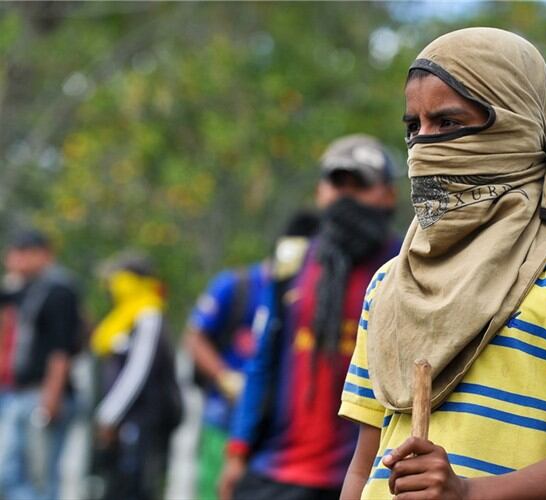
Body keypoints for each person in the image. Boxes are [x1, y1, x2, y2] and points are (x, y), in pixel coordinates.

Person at [339, 28, 546, 500]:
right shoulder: (391, 281)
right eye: (413, 127)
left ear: (514, 125)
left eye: (447, 122)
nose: (424, 145)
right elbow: (363, 468)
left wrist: (467, 493)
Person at [219, 135, 401, 500]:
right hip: (277, 470)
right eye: (337, 183)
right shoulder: (293, 263)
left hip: (363, 475)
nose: (345, 196)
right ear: (321, 192)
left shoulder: (404, 264)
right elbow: (263, 361)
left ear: (387, 195)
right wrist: (238, 451)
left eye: (359, 185)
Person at [185, 212, 319, 500]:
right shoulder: (236, 286)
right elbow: (194, 337)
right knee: (215, 486)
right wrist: (224, 377)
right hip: (226, 411)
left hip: (275, 418)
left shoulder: (311, 292)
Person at [91, 253, 183, 500]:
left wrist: (109, 415)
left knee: (138, 487)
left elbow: (138, 372)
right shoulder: (122, 318)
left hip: (143, 420)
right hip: (125, 421)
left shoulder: (149, 316)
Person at [0, 228, 82, 500]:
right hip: (21, 393)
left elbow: (62, 349)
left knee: (41, 478)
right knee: (9, 472)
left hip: (44, 394)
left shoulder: (59, 290)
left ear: (43, 254)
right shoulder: (29, 289)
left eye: (23, 253)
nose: (15, 259)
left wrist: (51, 397)